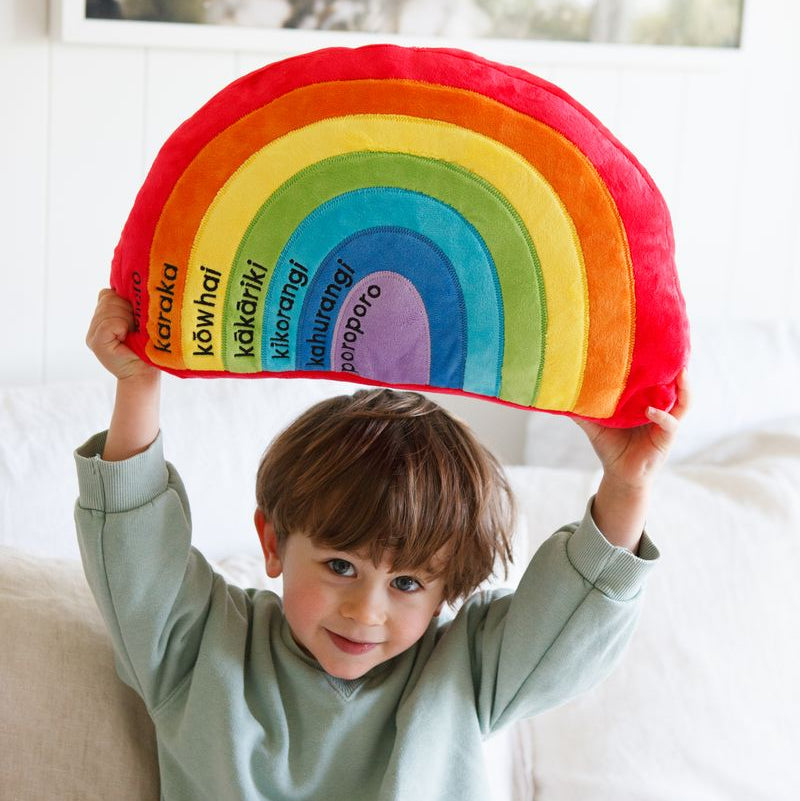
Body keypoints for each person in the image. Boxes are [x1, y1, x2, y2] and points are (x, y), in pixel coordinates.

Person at [76, 288, 689, 801]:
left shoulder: (465, 669)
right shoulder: (199, 646)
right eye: (341, 566)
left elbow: (568, 628)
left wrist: (627, 486)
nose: (366, 612)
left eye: (407, 583)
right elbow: (135, 553)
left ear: (448, 590)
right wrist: (138, 385)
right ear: (273, 541)